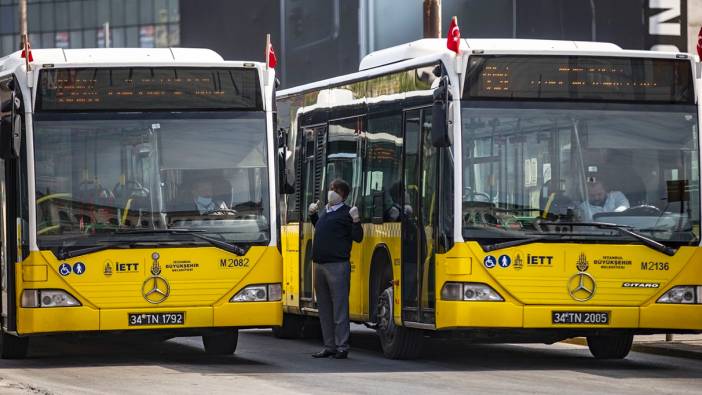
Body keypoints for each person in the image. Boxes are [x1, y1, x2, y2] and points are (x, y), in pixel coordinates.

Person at [308, 178, 363, 359]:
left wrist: (356, 221)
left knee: (339, 307)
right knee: (324, 308)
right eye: (331, 188)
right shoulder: (326, 211)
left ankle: (342, 346)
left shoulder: (347, 213)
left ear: (343, 195)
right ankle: (329, 345)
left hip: (337, 266)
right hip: (320, 265)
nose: (331, 192)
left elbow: (358, 237)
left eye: (335, 190)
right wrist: (313, 216)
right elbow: (323, 229)